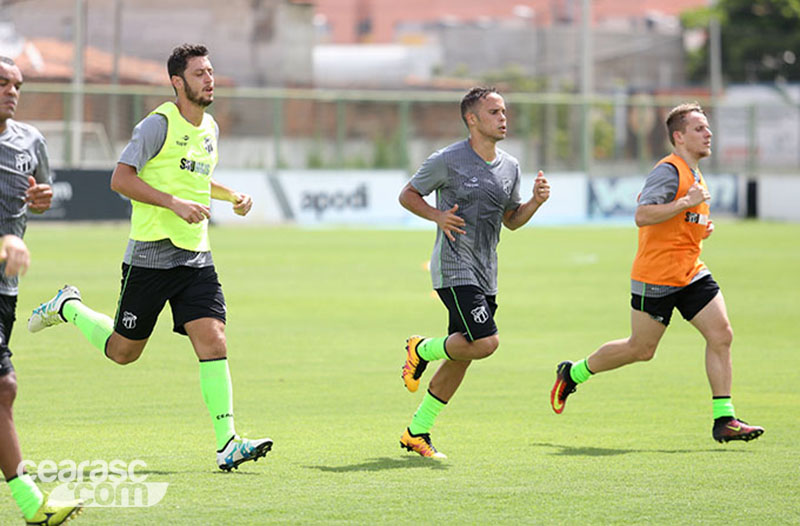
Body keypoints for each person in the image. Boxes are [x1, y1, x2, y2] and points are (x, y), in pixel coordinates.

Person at [27, 44, 273, 471]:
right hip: (151, 257)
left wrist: (231, 194)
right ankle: (68, 306)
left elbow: (196, 174)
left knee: (214, 339)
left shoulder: (210, 126)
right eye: (199, 74)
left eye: (211, 71)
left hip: (196, 256)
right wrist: (173, 203)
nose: (209, 79)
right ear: (177, 83)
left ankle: (227, 442)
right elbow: (120, 179)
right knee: (124, 352)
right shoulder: (157, 124)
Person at [550, 102, 764, 444]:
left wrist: (698, 225)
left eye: (707, 127)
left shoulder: (694, 173)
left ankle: (724, 419)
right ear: (678, 137)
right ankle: (573, 372)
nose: (708, 133)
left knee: (722, 334)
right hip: (657, 277)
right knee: (641, 350)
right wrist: (684, 204)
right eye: (699, 129)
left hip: (691, 272)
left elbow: (681, 219)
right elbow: (643, 215)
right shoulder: (668, 171)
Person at [398, 87, 550, 458]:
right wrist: (437, 216)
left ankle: (417, 431)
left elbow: (512, 221)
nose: (503, 118)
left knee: (463, 354)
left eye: (504, 111)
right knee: (486, 343)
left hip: (486, 272)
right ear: (472, 119)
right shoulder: (447, 160)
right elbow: (408, 195)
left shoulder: (510, 167)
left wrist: (535, 201)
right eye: (494, 112)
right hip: (453, 268)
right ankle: (422, 348)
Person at [0, 58, 82, 525]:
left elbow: (42, 195)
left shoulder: (30, 141)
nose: (13, 91)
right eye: (2, 83)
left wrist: (42, 200)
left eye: (18, 85)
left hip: (6, 288)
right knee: (3, 387)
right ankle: (33, 505)